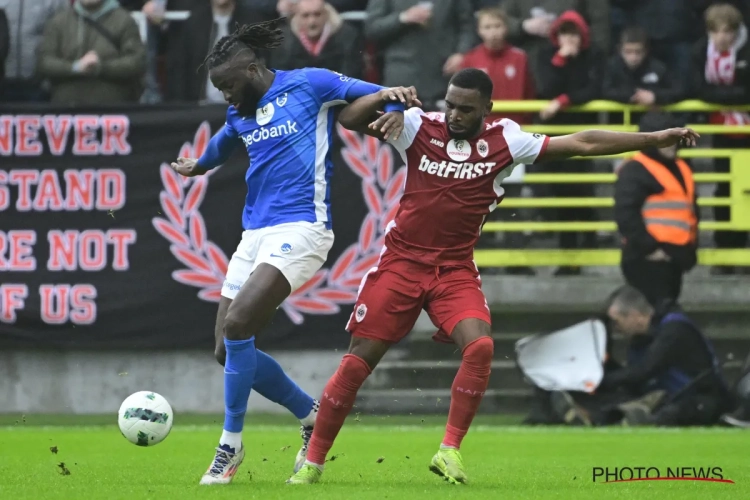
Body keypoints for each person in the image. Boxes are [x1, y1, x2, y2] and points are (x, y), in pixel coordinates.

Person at [286, 68, 699, 485]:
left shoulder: (507, 140)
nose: (454, 115)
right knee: (359, 364)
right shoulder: (416, 126)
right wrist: (383, 99)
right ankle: (314, 462)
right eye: (450, 105)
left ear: (488, 108)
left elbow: (583, 142)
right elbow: (348, 119)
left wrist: (652, 140)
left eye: (466, 109)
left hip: (454, 268)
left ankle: (449, 451)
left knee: (481, 346)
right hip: (401, 264)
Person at [168, 20, 412, 485]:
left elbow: (383, 92)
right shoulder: (241, 111)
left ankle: (230, 445)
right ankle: (309, 415)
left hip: (303, 228)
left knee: (240, 325)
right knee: (226, 349)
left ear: (254, 68)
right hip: (253, 234)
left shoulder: (310, 83)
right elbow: (224, 140)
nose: (225, 96)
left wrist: (395, 103)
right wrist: (197, 166)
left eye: (228, 85)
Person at [615, 112, 699, 307]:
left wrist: (688, 253)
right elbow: (626, 216)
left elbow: (691, 211)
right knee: (652, 318)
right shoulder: (635, 169)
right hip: (647, 259)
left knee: (664, 315)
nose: (671, 145)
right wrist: (650, 249)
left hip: (673, 257)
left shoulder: (681, 167)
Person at [692, 3, 750, 274]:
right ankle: (726, 252)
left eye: (727, 32)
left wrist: (717, 95)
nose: (721, 38)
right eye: (716, 32)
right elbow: (696, 87)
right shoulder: (699, 52)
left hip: (746, 132)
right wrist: (728, 96)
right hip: (721, 132)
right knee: (724, 189)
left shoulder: (746, 51)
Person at [36, 0, 147, 105]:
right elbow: (44, 62)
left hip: (112, 112)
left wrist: (102, 67)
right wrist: (75, 67)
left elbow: (137, 62)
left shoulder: (125, 21)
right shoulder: (58, 22)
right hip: (67, 110)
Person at [601, 26, 685, 106]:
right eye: (628, 51)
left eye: (638, 52)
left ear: (646, 51)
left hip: (652, 118)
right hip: (619, 119)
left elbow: (679, 90)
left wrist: (655, 96)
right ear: (620, 50)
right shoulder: (612, 66)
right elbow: (604, 91)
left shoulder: (658, 68)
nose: (633, 57)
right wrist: (632, 95)